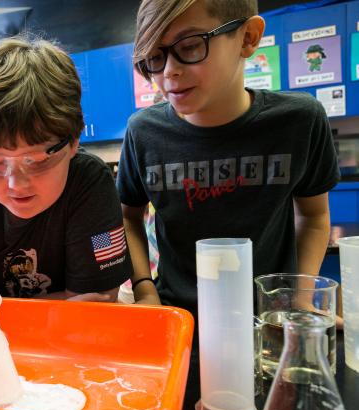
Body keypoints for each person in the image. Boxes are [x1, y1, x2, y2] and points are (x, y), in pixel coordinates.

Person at [117, 0, 340, 317]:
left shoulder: (300, 121)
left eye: (190, 46)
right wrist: (145, 290)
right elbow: (128, 217)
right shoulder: (142, 132)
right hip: (179, 318)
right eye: (154, 57)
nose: (168, 71)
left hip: (269, 316)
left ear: (248, 37)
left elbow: (314, 217)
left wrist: (299, 299)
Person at [0, 36, 132, 301]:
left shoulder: (90, 183)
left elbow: (96, 306)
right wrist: (63, 303)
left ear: (73, 142)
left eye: (36, 161)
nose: (16, 184)